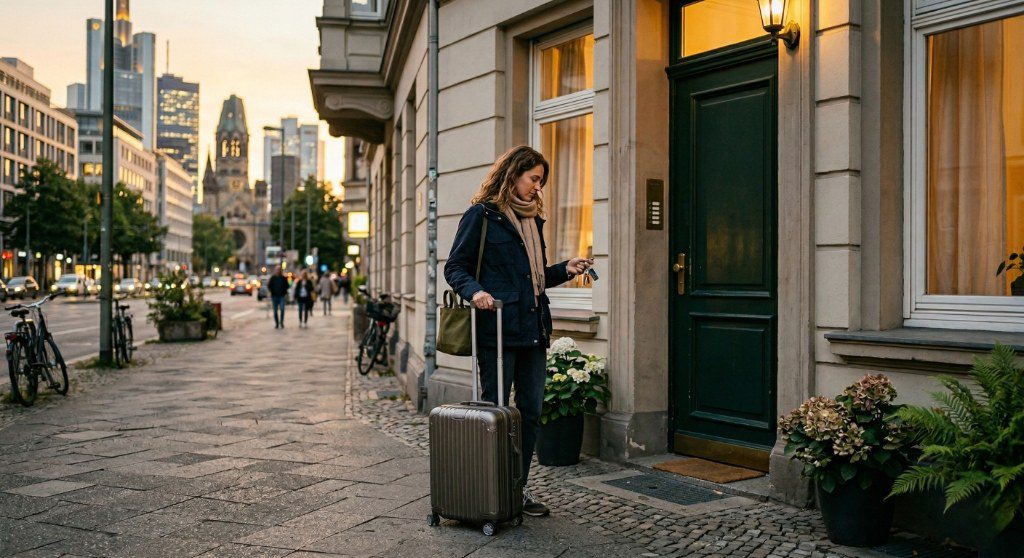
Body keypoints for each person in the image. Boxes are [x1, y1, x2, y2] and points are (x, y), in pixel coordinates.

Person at [444, 145, 593, 518]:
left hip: (534, 329)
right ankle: (488, 489)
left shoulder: (532, 221)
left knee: (529, 413)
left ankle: (517, 488)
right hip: (498, 330)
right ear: (513, 174)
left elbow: (533, 279)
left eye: (541, 181)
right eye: (534, 179)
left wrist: (564, 268)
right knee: (495, 412)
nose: (538, 188)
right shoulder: (482, 216)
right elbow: (455, 267)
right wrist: (476, 291)